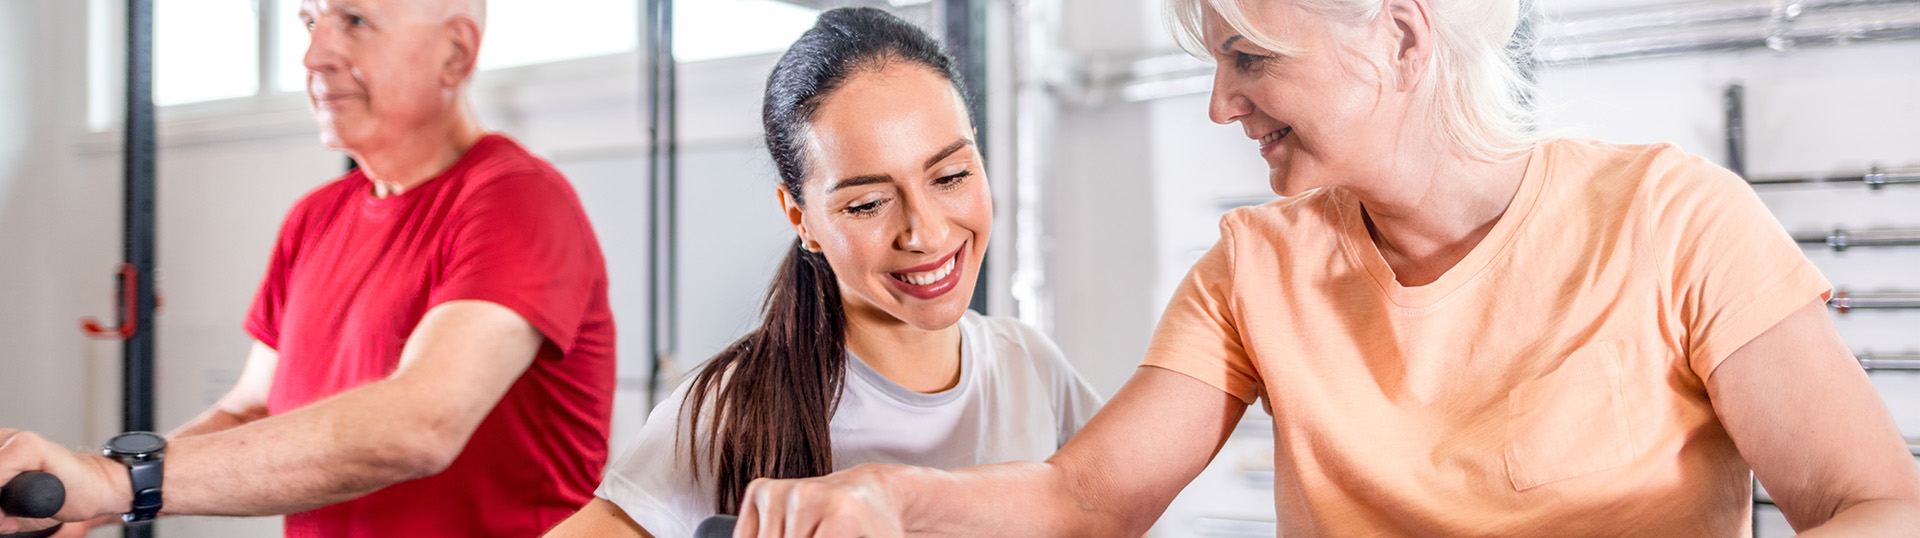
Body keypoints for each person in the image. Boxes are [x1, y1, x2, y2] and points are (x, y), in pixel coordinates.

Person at [721, 0, 1920, 536]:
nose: (1219, 101)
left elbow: (1875, 504)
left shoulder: (1674, 219)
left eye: (1251, 58)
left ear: (1399, 37)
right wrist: (889, 494)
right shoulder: (1254, 267)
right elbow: (1089, 499)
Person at [0, 0, 616, 536]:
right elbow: (250, 408)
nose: (313, 54)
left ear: (455, 54)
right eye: (308, 21)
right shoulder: (316, 218)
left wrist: (116, 481)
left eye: (353, 21)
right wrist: (83, 504)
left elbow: (420, 425)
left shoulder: (518, 199)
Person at [540, 8, 1102, 538]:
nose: (925, 233)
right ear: (801, 219)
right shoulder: (727, 411)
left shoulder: (1031, 365)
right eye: (866, 205)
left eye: (951, 175)